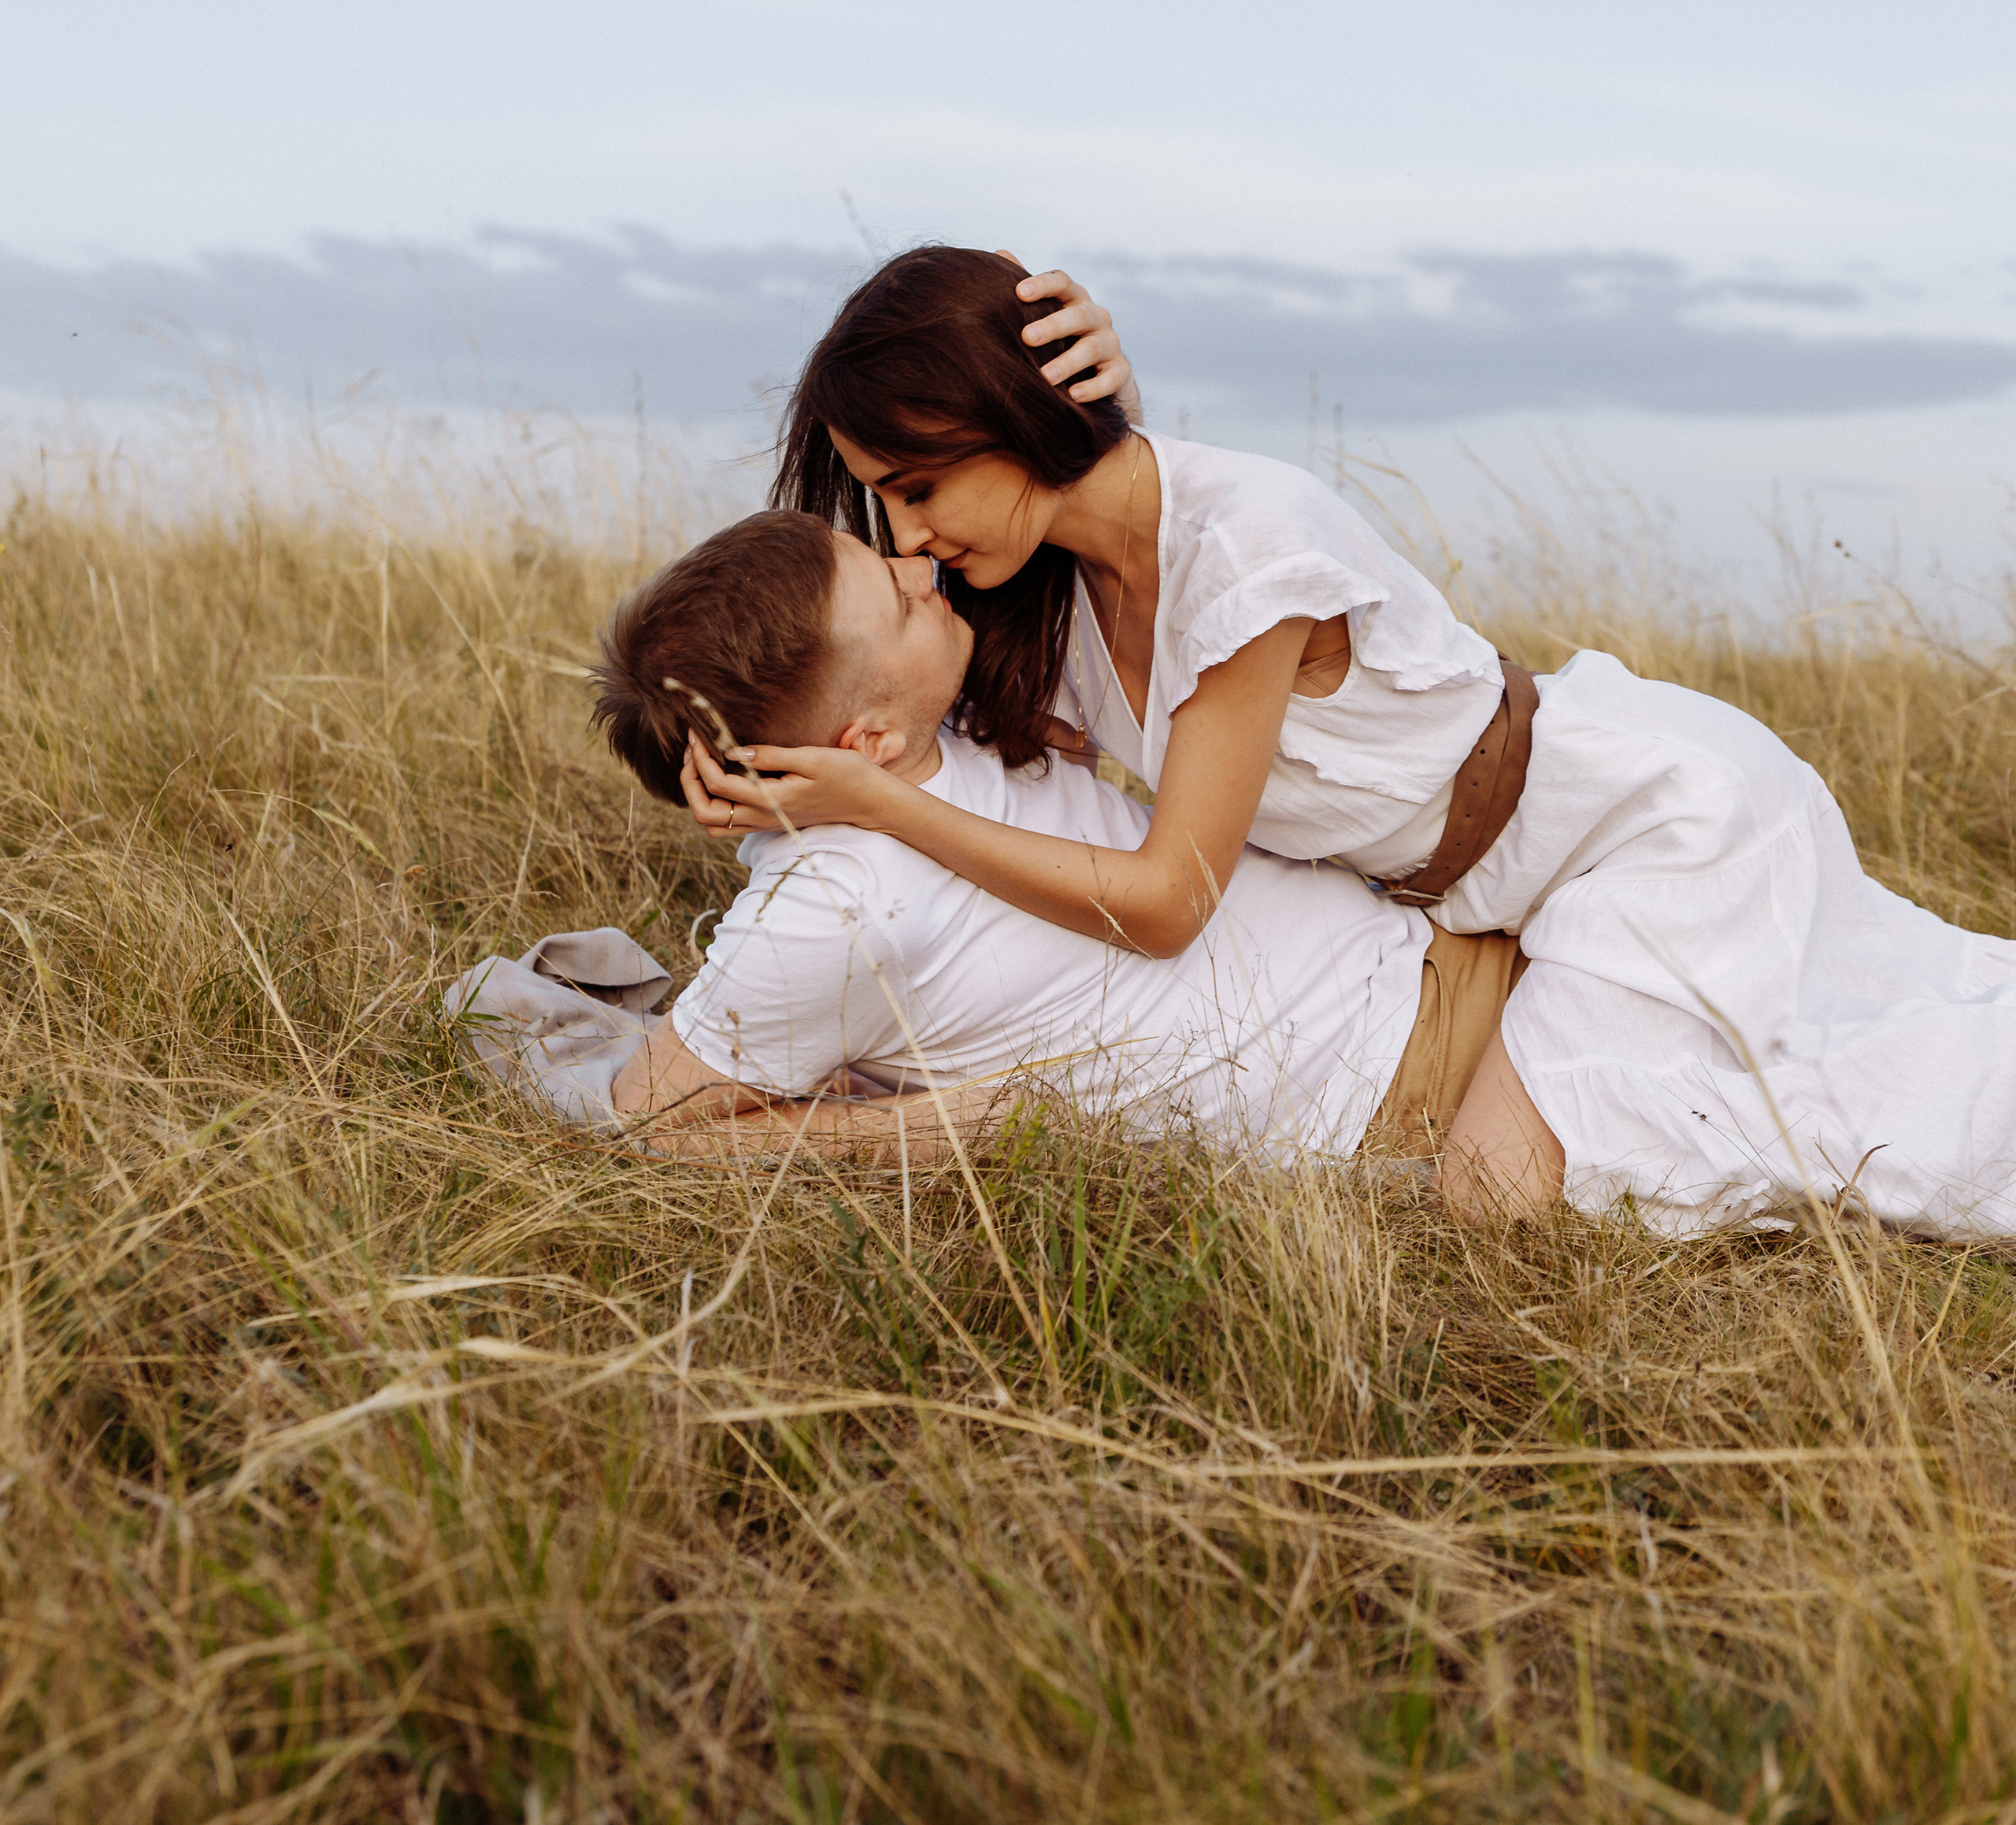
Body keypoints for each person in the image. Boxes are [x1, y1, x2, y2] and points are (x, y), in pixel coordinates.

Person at [674, 246, 2016, 1229]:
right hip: (1505, 897)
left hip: (1649, 826)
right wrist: (742, 762)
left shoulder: (1248, 557)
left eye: (916, 488)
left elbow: (1164, 906)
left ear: (1007, 423)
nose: (905, 537)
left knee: (1515, 1197)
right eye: (878, 500)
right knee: (1794, 1050)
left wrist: (883, 809)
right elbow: (884, 699)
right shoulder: (1038, 590)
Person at [591, 509, 1540, 1208]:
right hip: (1405, 1078)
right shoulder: (834, 903)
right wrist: (937, 1130)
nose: (918, 567)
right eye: (894, 597)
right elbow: (647, 1125)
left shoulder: (941, 728)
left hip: (1446, 946)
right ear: (865, 739)